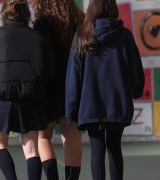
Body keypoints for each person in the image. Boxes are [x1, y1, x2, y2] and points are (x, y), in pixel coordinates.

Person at [65, 0, 145, 179]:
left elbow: (73, 77)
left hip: (90, 106)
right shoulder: (125, 36)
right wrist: (136, 90)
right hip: (117, 103)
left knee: (97, 149)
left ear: (92, 9)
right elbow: (135, 69)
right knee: (115, 147)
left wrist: (71, 110)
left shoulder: (82, 36)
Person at [0, 0, 55, 179]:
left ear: (4, 14)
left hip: (3, 97)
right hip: (31, 99)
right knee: (31, 150)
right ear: (26, 14)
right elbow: (50, 70)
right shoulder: (39, 38)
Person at [32, 0, 84, 179]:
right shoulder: (80, 20)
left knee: (43, 137)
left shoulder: (42, 24)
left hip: (49, 88)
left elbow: (40, 59)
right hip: (75, 86)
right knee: (72, 137)